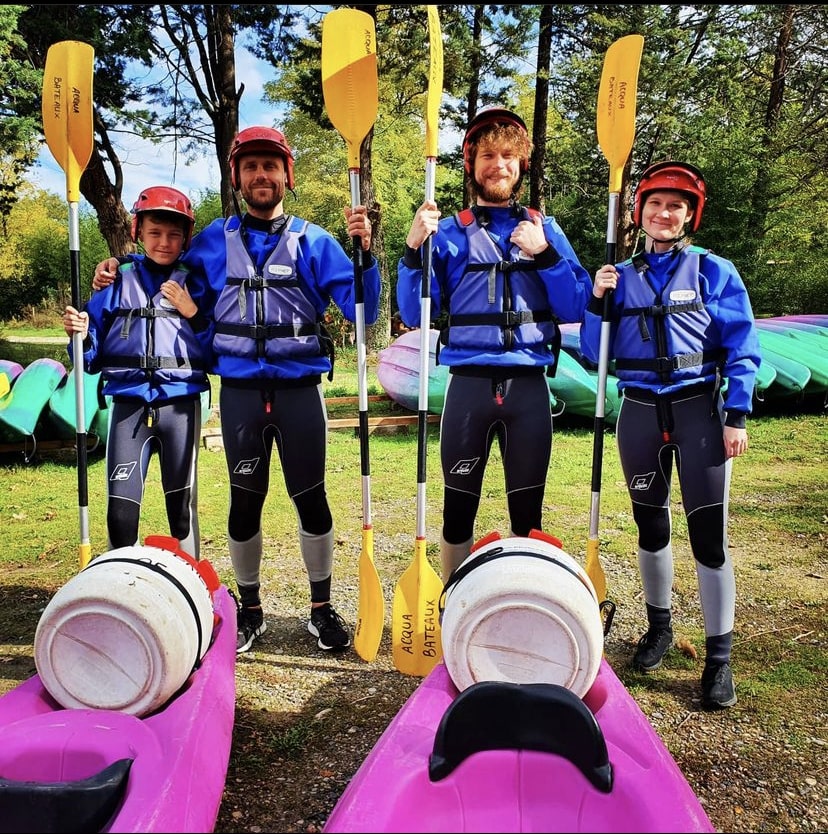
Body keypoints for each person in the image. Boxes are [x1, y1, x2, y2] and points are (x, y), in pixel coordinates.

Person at [95, 126, 379, 655]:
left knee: (310, 499)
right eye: (250, 166)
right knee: (244, 504)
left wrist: (365, 251)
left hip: (298, 393)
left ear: (286, 175)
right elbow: (158, 270)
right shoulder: (208, 242)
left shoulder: (314, 241)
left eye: (270, 166)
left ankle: (320, 608)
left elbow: (365, 310)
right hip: (242, 394)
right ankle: (250, 611)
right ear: (237, 177)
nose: (261, 175)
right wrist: (113, 270)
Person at [579, 161, 762, 710]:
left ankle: (718, 657)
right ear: (640, 212)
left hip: (697, 411)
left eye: (676, 206)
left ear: (689, 216)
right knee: (649, 524)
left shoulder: (714, 272)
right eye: (656, 204)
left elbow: (742, 347)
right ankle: (659, 627)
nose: (665, 213)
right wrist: (596, 298)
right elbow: (594, 354)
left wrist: (737, 414)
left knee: (708, 536)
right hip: (638, 410)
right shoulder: (618, 273)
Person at [396, 106, 593, 581]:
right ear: (471, 162)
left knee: (528, 512)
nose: (498, 165)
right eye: (487, 155)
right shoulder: (445, 233)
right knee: (457, 509)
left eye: (508, 155)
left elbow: (576, 306)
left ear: (521, 164)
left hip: (527, 388)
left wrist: (543, 254)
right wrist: (411, 249)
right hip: (469, 386)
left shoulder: (546, 231)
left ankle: (525, 604)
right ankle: (451, 604)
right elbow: (411, 313)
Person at [64, 185, 212, 560]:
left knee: (182, 511)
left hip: (181, 406)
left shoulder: (196, 282)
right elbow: (90, 355)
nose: (164, 242)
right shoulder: (114, 280)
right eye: (155, 233)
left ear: (186, 238)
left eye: (174, 234)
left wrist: (192, 311)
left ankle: (192, 590)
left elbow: (216, 351)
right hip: (129, 407)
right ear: (138, 233)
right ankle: (122, 591)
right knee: (121, 513)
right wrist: (79, 336)